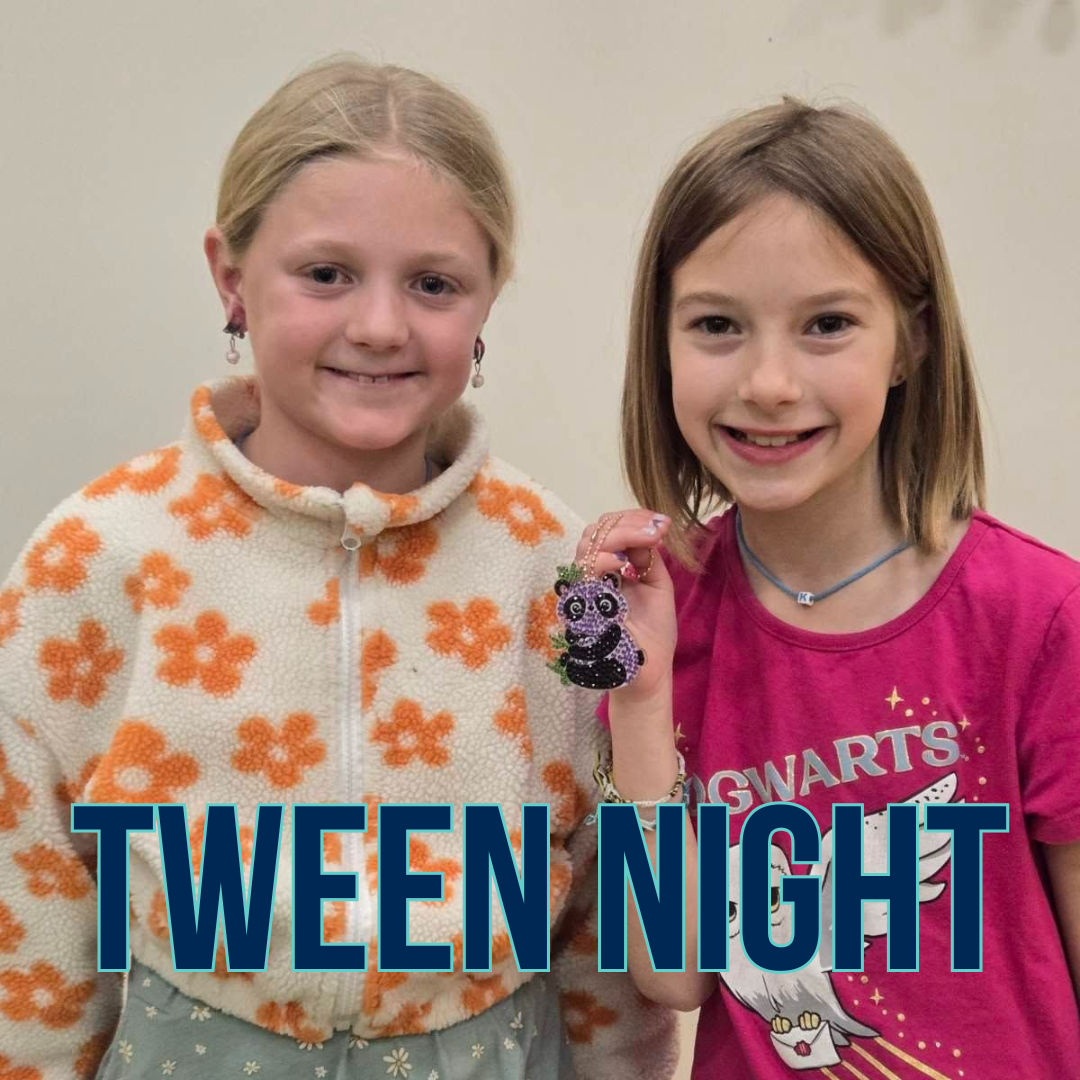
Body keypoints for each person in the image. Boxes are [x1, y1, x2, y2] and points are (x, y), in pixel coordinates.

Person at [0, 55, 676, 1079]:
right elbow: (35, 905)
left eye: (434, 283)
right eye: (326, 273)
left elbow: (594, 919)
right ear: (230, 274)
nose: (378, 325)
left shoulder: (556, 568)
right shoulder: (98, 556)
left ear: (488, 294)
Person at [582, 98, 1080, 1077]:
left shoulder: (1043, 616)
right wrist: (634, 702)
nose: (769, 381)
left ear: (912, 342)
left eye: (828, 325)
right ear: (661, 343)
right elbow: (671, 976)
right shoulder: (647, 607)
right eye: (718, 324)